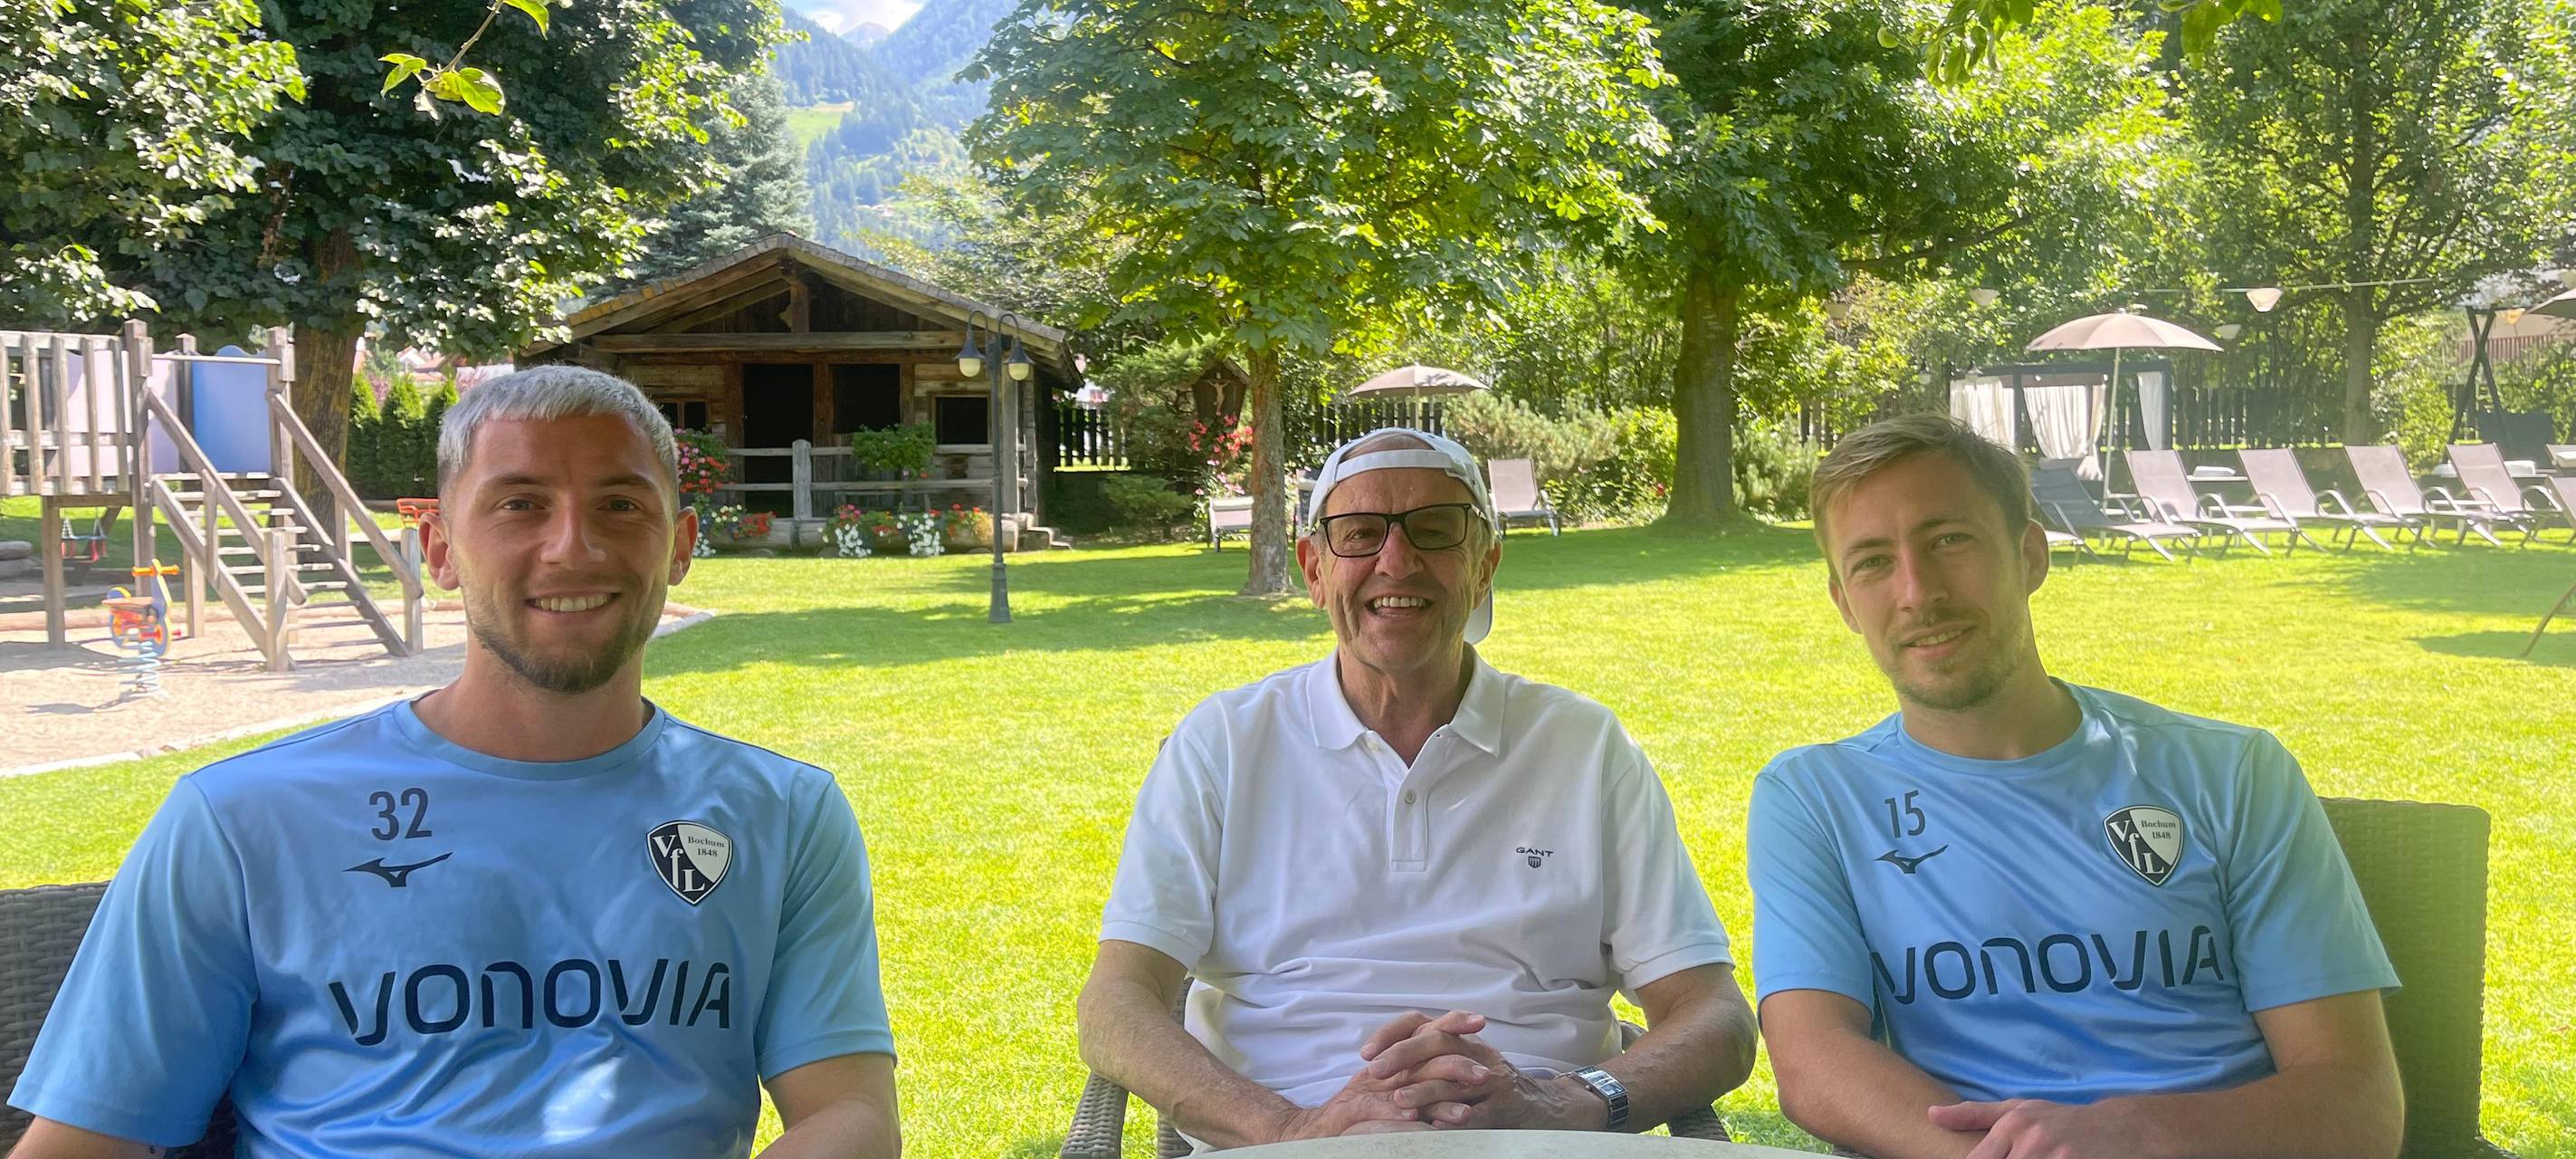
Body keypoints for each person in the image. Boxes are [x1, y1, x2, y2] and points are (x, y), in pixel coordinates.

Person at [7, 368, 901, 1159]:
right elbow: (85, 1140)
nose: (573, 546)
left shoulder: (783, 813)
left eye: (621, 505)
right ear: (439, 547)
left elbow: (851, 1111)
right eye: (520, 504)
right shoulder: (244, 818)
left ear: (680, 545)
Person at [1080, 428, 1757, 1149]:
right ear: (1314, 569)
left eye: (1435, 529)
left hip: (1541, 1139)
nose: (1396, 562)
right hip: (1287, 1142)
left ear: (1485, 566)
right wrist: (1294, 1126)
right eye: (1359, 533)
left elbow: (1716, 1015)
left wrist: (1566, 1104)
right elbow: (1116, 1000)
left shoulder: (1583, 746)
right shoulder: (1224, 742)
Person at [1749, 414, 2400, 1159]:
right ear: (1843, 603)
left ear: (2030, 556)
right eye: (1872, 562)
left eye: (1950, 541)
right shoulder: (1817, 799)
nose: (1917, 592)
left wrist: (2136, 1135)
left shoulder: (2232, 772)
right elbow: (1814, 1063)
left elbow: (2356, 1105)